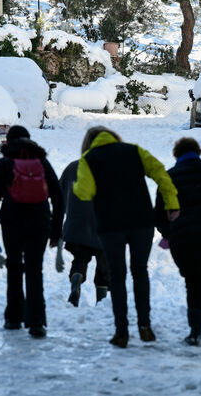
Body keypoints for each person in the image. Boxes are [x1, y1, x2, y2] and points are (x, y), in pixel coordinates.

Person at [73, 126, 179, 348]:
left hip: (110, 225)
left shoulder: (88, 158)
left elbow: (84, 192)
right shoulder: (134, 151)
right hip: (141, 222)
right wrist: (172, 204)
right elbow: (161, 173)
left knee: (117, 275)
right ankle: (144, 325)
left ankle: (121, 332)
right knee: (140, 271)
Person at [0, 125, 64, 339]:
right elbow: (58, 198)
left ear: (9, 141)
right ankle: (36, 322)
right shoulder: (42, 163)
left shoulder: (5, 164)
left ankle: (14, 318)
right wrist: (56, 231)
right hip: (40, 223)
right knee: (35, 270)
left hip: (12, 222)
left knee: (15, 268)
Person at [155, 137, 201, 346]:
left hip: (183, 239)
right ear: (198, 152)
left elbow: (158, 214)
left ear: (176, 155)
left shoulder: (169, 177)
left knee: (192, 282)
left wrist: (171, 232)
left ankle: (195, 330)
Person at [59, 156, 109, 307]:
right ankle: (101, 300)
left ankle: (77, 278)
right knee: (104, 263)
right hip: (104, 224)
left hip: (77, 223)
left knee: (80, 259)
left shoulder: (72, 167)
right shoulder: (112, 167)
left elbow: (59, 194)